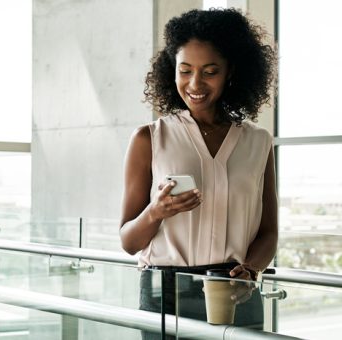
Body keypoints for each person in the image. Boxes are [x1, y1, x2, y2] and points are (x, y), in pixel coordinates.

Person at [118, 8, 278, 339]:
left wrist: (250, 270)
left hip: (237, 290)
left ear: (231, 71)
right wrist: (156, 212)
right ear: (171, 71)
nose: (195, 84)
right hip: (165, 291)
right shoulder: (150, 138)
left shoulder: (258, 142)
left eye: (210, 71)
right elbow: (129, 241)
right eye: (185, 70)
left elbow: (268, 232)